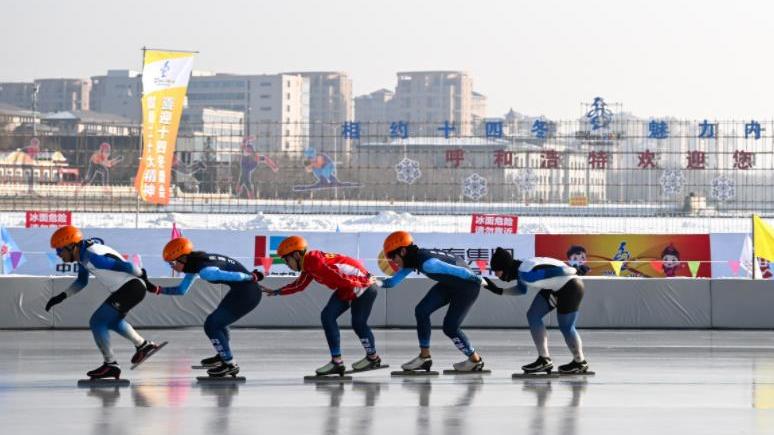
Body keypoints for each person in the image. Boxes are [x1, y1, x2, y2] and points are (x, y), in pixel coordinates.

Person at [44, 225, 162, 379]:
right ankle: (143, 345)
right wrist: (60, 297)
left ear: (71, 245)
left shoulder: (92, 256)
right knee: (112, 322)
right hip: (128, 288)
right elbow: (81, 282)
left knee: (97, 321)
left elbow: (127, 266)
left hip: (132, 287)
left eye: (60, 250)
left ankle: (110, 364)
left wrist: (144, 278)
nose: (58, 254)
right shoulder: (82, 256)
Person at [260, 236, 383, 376]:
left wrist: (365, 281)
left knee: (358, 323)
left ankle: (372, 358)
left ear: (296, 255)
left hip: (362, 286)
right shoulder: (309, 264)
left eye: (286, 260)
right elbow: (300, 285)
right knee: (327, 316)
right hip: (348, 287)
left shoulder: (315, 262)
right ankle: (337, 362)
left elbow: (341, 278)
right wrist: (277, 291)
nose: (286, 264)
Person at [144, 237, 262, 377]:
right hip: (242, 291)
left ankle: (230, 364)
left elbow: (236, 276)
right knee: (217, 323)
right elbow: (182, 290)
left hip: (248, 293)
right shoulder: (196, 263)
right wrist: (156, 289)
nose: (172, 267)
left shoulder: (205, 270)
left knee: (212, 325)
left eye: (172, 263)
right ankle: (223, 357)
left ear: (183, 258)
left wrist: (252, 277)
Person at [378, 231, 486, 372]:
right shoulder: (412, 259)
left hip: (467, 286)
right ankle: (424, 358)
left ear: (403, 251)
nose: (393, 261)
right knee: (421, 311)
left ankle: (475, 360)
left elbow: (463, 272)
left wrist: (479, 279)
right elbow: (391, 282)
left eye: (393, 257)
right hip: (450, 284)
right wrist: (373, 281)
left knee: (450, 328)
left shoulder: (428, 264)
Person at [484, 247, 589, 374]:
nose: (496, 274)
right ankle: (544, 359)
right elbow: (521, 290)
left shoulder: (525, 273)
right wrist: (499, 291)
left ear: (505, 268)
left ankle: (579, 362)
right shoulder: (521, 269)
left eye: (497, 271)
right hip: (555, 287)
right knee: (533, 315)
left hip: (571, 286)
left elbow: (557, 271)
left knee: (566, 327)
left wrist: (575, 269)